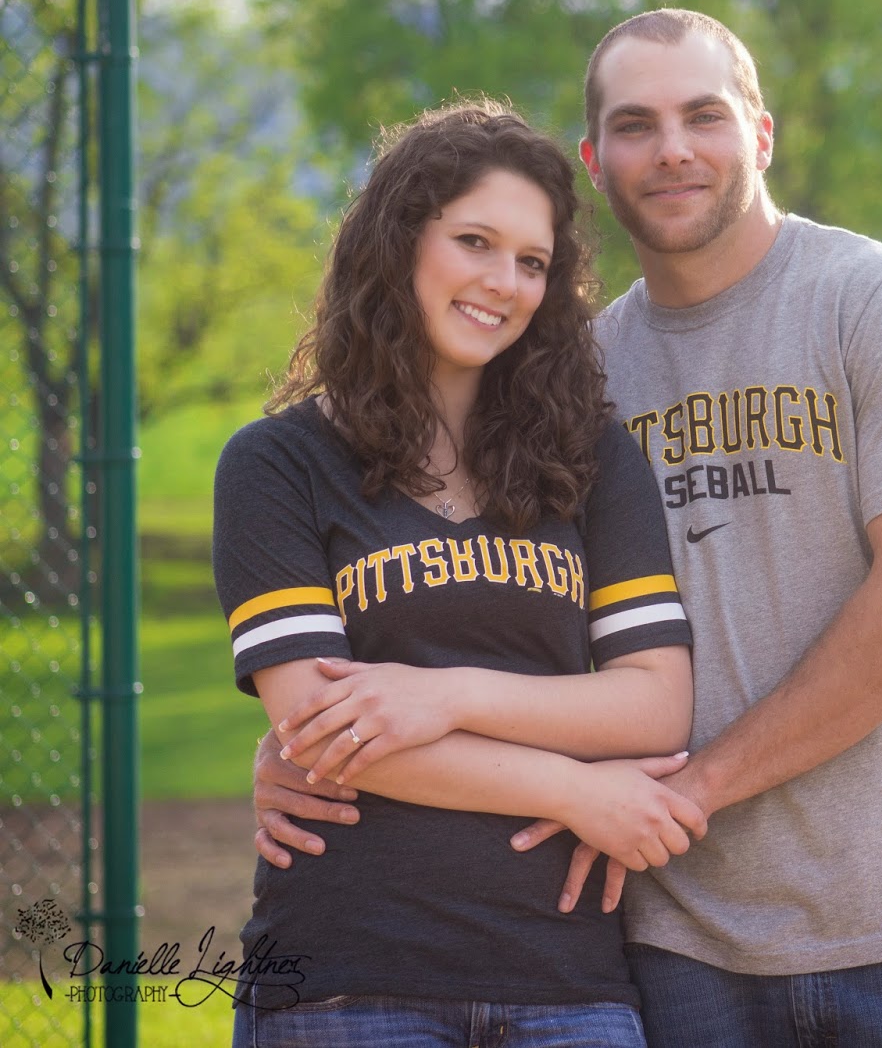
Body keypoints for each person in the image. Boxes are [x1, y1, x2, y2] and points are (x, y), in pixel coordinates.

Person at [256, 11, 882, 1046]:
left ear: (759, 135)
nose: (671, 149)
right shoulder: (565, 380)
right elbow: (460, 598)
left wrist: (693, 791)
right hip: (670, 940)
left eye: (702, 115)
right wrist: (306, 739)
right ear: (595, 162)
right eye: (635, 125)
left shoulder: (877, 299)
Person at [212, 98, 705, 1046]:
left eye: (532, 262)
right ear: (399, 241)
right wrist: (573, 791)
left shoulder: (590, 458)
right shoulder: (279, 463)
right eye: (474, 241)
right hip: (350, 975)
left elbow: (654, 705)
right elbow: (323, 729)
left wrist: (445, 696)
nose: (503, 283)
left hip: (569, 979)